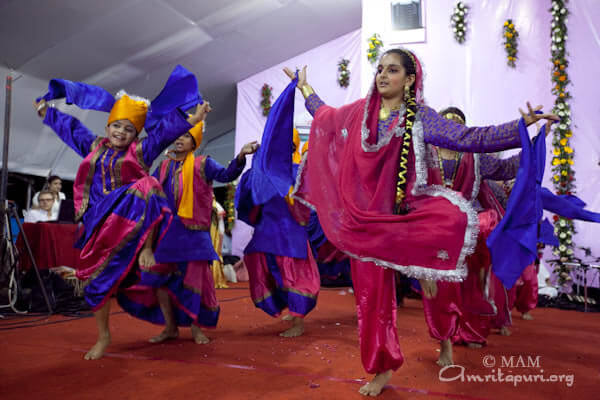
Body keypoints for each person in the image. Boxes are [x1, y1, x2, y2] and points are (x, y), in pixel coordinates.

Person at [285, 48, 557, 396]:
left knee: (445, 277)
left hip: (409, 220)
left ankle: (445, 320)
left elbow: (470, 138)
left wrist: (520, 127)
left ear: (410, 79)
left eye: (393, 70)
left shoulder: (420, 118)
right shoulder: (359, 113)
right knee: (370, 301)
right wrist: (305, 89)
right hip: (364, 225)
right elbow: (325, 115)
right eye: (380, 69)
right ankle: (381, 367)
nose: (382, 75)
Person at [34, 65, 206, 360]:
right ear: (107, 127)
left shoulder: (141, 151)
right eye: (117, 126)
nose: (122, 133)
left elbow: (164, 133)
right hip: (98, 225)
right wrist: (47, 113)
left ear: (135, 134)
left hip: (134, 224)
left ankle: (186, 324)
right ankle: (104, 337)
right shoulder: (93, 146)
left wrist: (193, 119)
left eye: (129, 129)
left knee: (147, 185)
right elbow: (71, 129)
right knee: (96, 283)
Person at [117, 120, 257, 344]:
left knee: (195, 282)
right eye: (177, 135)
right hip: (167, 233)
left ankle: (196, 328)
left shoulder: (204, 163)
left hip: (194, 235)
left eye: (185, 136)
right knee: (159, 280)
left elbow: (227, 175)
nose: (179, 139)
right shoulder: (163, 166)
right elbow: (150, 195)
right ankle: (170, 328)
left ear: (194, 142)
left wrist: (241, 155)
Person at [420, 107, 522, 367]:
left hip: (466, 231)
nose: (453, 125)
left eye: (459, 123)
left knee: (474, 284)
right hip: (432, 231)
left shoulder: (475, 158)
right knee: (439, 292)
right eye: (448, 121)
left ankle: (473, 330)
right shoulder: (422, 153)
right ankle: (445, 341)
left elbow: (506, 168)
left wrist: (534, 143)